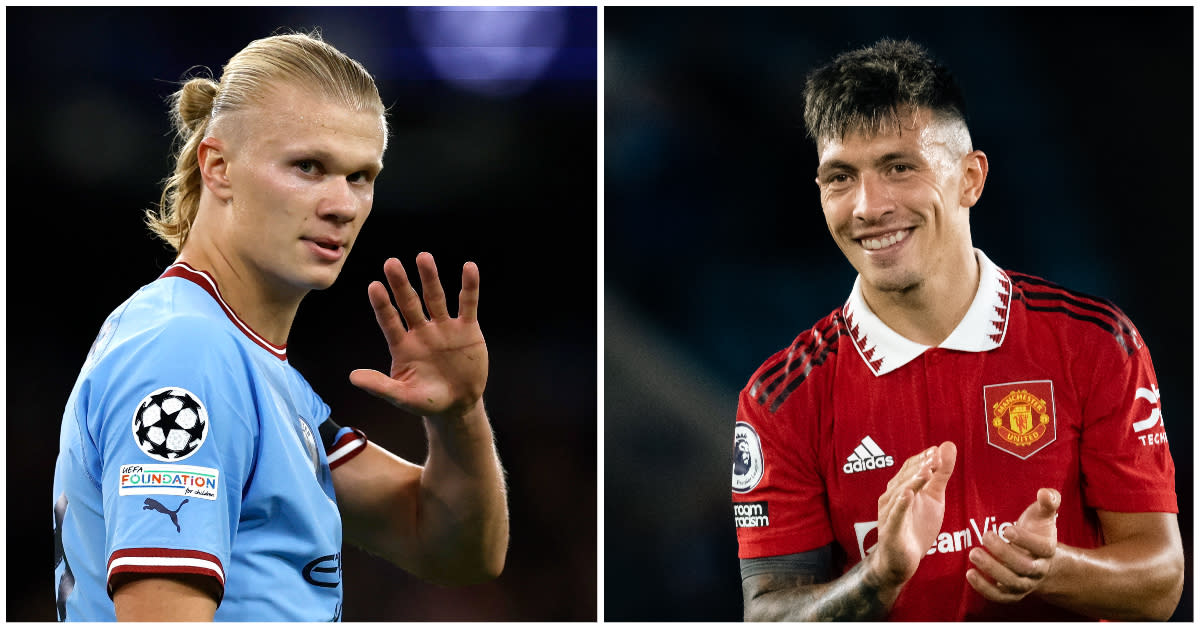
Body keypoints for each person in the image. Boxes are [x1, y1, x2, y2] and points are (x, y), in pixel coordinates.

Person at [51, 31, 508, 621]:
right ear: (217, 167)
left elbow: (451, 548)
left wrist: (460, 415)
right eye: (308, 166)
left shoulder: (250, 363)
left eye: (360, 176)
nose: (342, 204)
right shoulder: (187, 352)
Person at [731, 38, 1182, 621]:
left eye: (899, 167)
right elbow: (767, 614)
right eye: (840, 177)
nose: (868, 206)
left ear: (970, 179)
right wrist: (880, 576)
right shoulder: (781, 401)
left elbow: (1162, 583)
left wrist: (1053, 569)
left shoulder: (1094, 343)